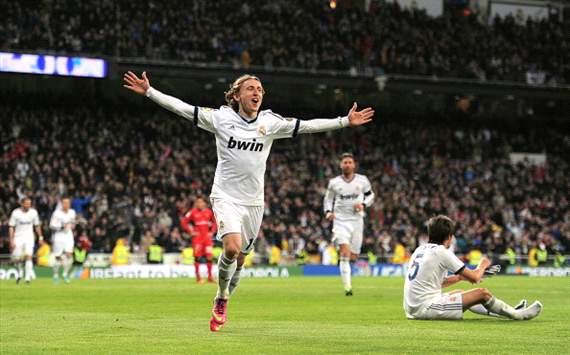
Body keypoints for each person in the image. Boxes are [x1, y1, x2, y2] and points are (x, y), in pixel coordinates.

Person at [123, 71, 374, 331]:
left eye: (260, 89)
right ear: (236, 95)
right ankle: (221, 297)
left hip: (253, 202)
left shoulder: (270, 122)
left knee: (241, 258)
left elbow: (308, 125)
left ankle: (227, 293)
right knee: (231, 248)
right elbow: (184, 109)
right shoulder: (221, 118)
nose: (257, 93)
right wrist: (150, 92)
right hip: (225, 196)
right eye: (251, 88)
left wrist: (344, 121)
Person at [403, 215, 542, 321]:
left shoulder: (419, 250)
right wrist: (483, 264)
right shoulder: (441, 252)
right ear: (450, 237)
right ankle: (517, 315)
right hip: (425, 308)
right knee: (482, 293)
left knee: (460, 292)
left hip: (412, 308)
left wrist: (458, 277)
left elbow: (434, 283)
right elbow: (475, 278)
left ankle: (508, 311)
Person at [323, 153, 375, 295]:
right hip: (340, 221)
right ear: (341, 165)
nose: (347, 164)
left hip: (357, 220)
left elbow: (371, 195)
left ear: (354, 165)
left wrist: (363, 204)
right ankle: (348, 288)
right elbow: (328, 199)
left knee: (354, 256)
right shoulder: (334, 182)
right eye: (344, 162)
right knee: (345, 253)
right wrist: (328, 212)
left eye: (349, 162)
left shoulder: (362, 180)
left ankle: (345, 255)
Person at [180, 197, 217, 283]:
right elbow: (184, 222)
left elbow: (215, 222)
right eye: (197, 202)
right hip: (197, 238)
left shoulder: (209, 212)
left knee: (209, 256)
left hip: (207, 238)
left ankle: (210, 277)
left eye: (201, 202)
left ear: (204, 203)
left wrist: (212, 232)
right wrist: (191, 231)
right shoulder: (192, 212)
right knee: (197, 257)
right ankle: (198, 278)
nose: (199, 204)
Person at [8, 197, 44, 284]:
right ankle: (20, 272)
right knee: (17, 258)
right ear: (22, 203)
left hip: (29, 237)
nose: (28, 205)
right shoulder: (15, 213)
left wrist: (40, 237)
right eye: (26, 204)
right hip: (18, 237)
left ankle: (27, 278)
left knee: (29, 256)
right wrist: (11, 240)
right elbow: (11, 227)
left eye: (29, 204)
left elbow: (37, 226)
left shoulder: (33, 212)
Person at [49, 197, 76, 283]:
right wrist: (61, 226)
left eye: (68, 203)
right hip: (58, 236)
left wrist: (73, 226)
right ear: (61, 204)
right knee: (58, 257)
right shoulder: (57, 213)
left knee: (69, 255)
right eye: (64, 203)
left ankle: (65, 274)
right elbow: (51, 225)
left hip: (68, 235)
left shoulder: (72, 212)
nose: (66, 205)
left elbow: (73, 223)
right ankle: (56, 275)